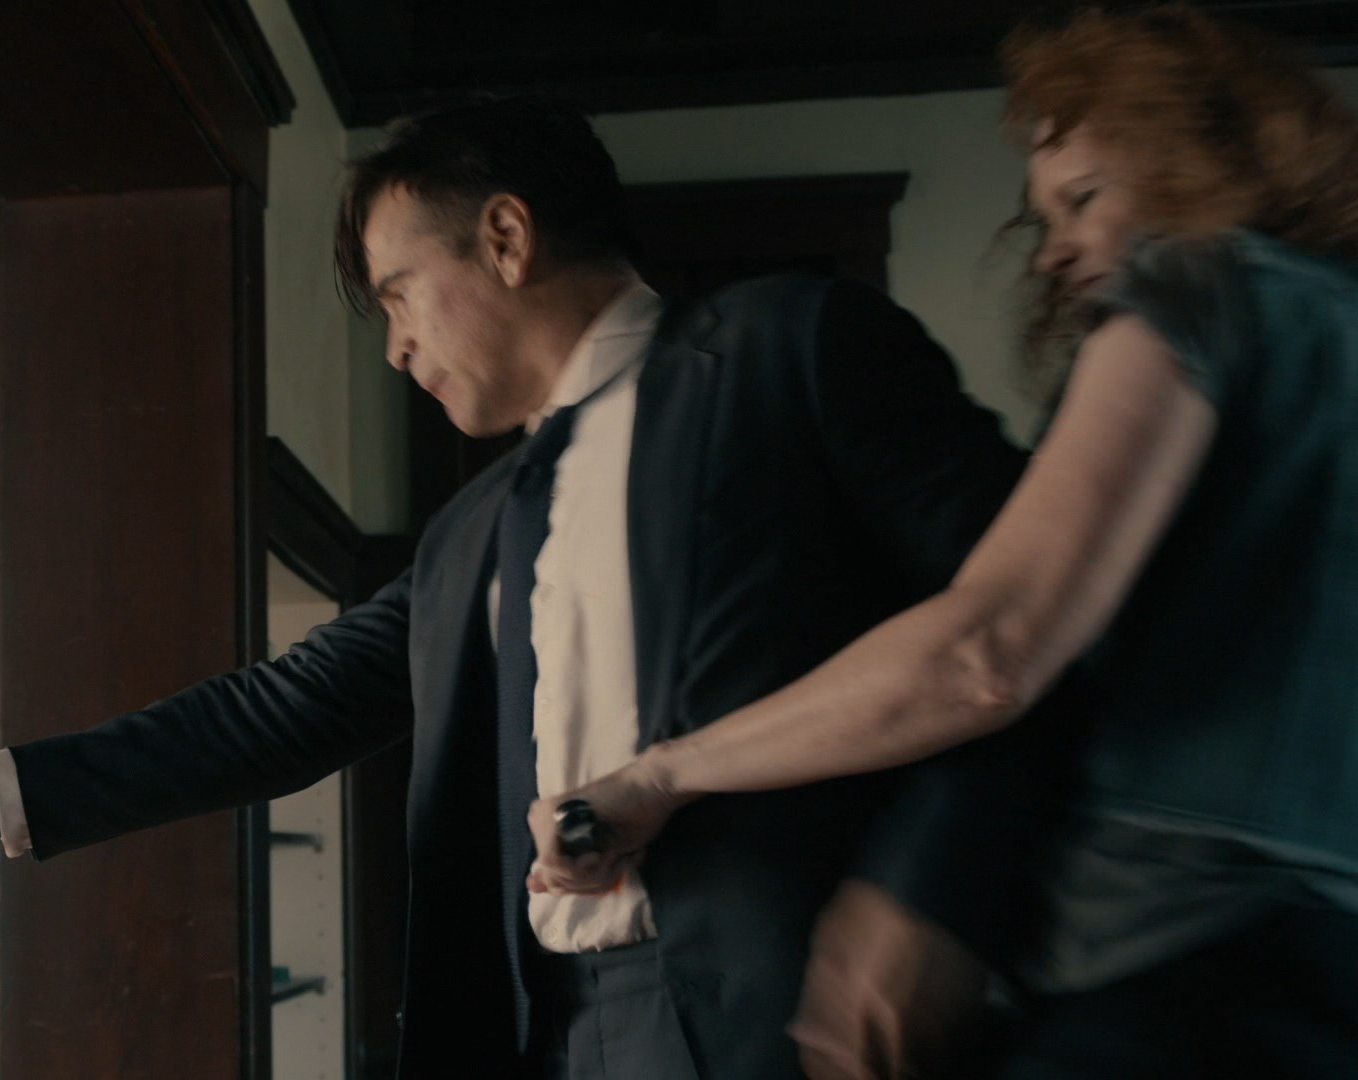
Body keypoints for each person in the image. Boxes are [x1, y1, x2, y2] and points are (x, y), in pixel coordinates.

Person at [0, 97, 1048, 1078]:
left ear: (506, 238)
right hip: (550, 1029)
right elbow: (280, 710)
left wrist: (930, 901)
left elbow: (1036, 623)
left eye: (398, 294)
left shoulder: (796, 349)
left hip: (804, 1007)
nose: (398, 346)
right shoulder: (471, 537)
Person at [525, 8, 1358, 1077]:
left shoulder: (1195, 286)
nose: (1054, 250)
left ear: (1198, 158)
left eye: (1084, 199)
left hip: (1169, 983)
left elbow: (986, 652)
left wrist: (660, 775)